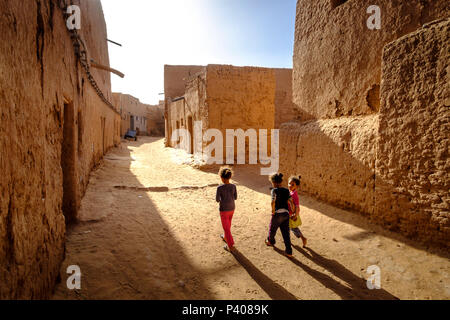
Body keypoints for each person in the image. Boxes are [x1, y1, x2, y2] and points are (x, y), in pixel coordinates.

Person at [265, 173, 294, 258]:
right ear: (281, 182)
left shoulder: (274, 190)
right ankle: (289, 251)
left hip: (277, 213)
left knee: (272, 228)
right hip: (286, 214)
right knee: (286, 233)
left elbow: (273, 201)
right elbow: (291, 201)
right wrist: (292, 211)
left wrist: (273, 211)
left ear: (273, 182)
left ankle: (270, 241)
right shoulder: (286, 190)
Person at [216, 166, 237, 252]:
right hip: (232, 208)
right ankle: (225, 237)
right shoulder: (233, 186)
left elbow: (217, 200)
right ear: (230, 176)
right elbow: (235, 197)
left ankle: (230, 246)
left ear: (221, 177)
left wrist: (223, 199)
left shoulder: (219, 188)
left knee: (226, 227)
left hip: (224, 209)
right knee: (228, 224)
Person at [288, 176, 307, 248]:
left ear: (297, 186)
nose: (290, 185)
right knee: (288, 226)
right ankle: (288, 239)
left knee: (293, 227)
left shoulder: (294, 194)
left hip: (292, 214)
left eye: (293, 185)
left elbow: (296, 206)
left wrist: (295, 215)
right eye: (289, 183)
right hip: (289, 212)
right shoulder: (291, 192)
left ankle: (303, 238)